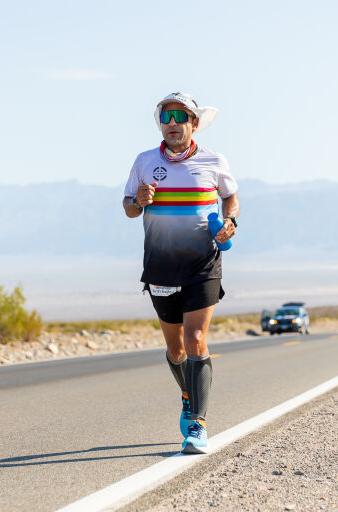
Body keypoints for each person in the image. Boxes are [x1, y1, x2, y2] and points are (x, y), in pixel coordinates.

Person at [123, 92, 240, 454]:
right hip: (160, 266)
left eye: (179, 116)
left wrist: (231, 220)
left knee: (196, 341)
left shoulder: (214, 161)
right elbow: (128, 208)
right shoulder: (144, 162)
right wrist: (138, 201)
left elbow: (230, 196)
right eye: (165, 116)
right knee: (175, 351)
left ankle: (197, 424)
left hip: (204, 264)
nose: (171, 122)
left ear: (194, 123)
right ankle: (188, 395)